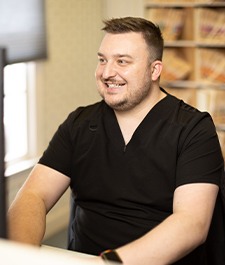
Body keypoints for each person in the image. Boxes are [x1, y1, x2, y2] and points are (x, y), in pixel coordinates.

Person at [8, 17, 225, 265]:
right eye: (103, 60)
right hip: (83, 259)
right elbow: (34, 195)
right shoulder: (79, 123)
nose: (107, 73)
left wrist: (109, 263)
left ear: (154, 70)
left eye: (122, 61)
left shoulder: (194, 130)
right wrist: (20, 256)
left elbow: (191, 223)